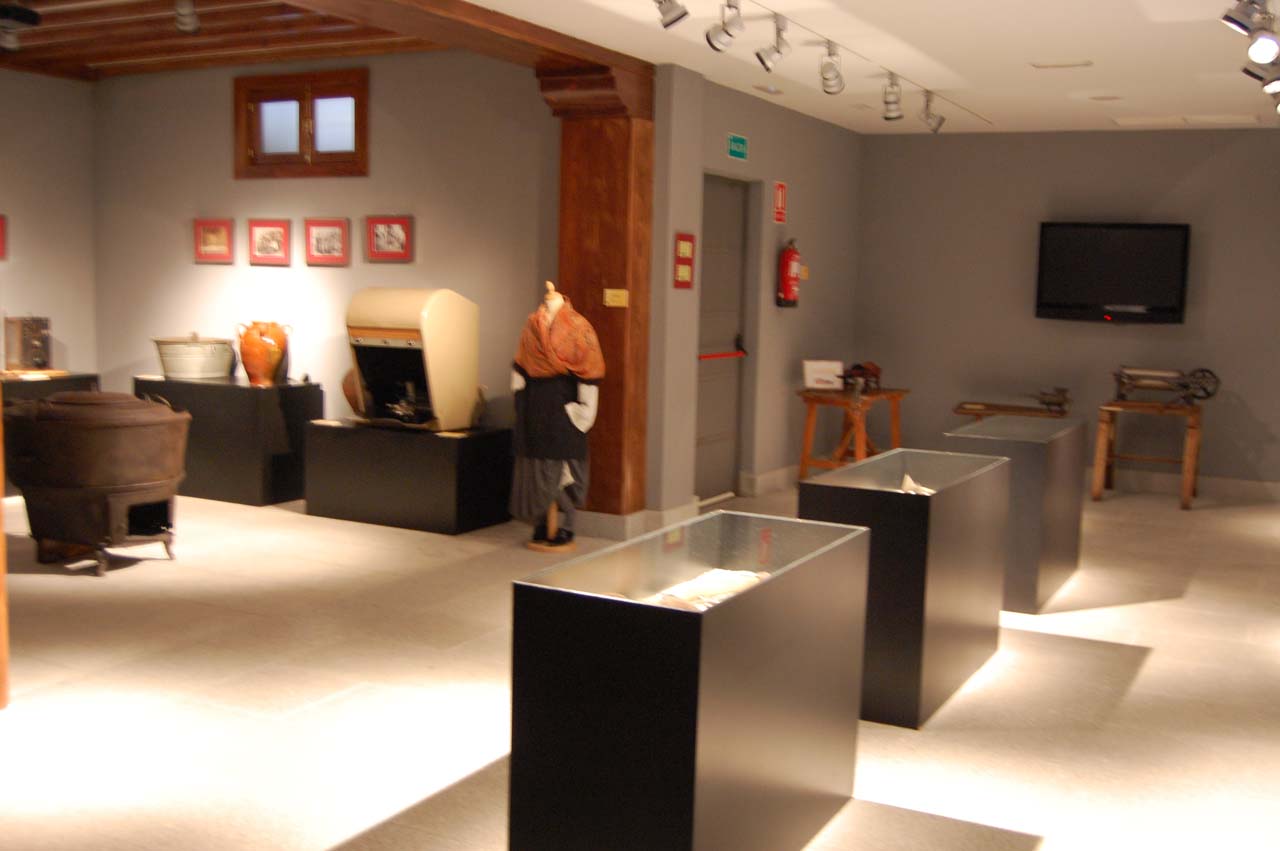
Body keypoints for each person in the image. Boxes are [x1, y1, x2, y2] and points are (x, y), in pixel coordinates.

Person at [509, 281, 605, 548]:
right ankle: (542, 521)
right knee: (536, 467)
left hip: (563, 411)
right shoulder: (532, 324)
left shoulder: (579, 327)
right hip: (534, 406)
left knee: (562, 471)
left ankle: (568, 525)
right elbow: (520, 365)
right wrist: (519, 399)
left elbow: (589, 373)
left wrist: (582, 413)